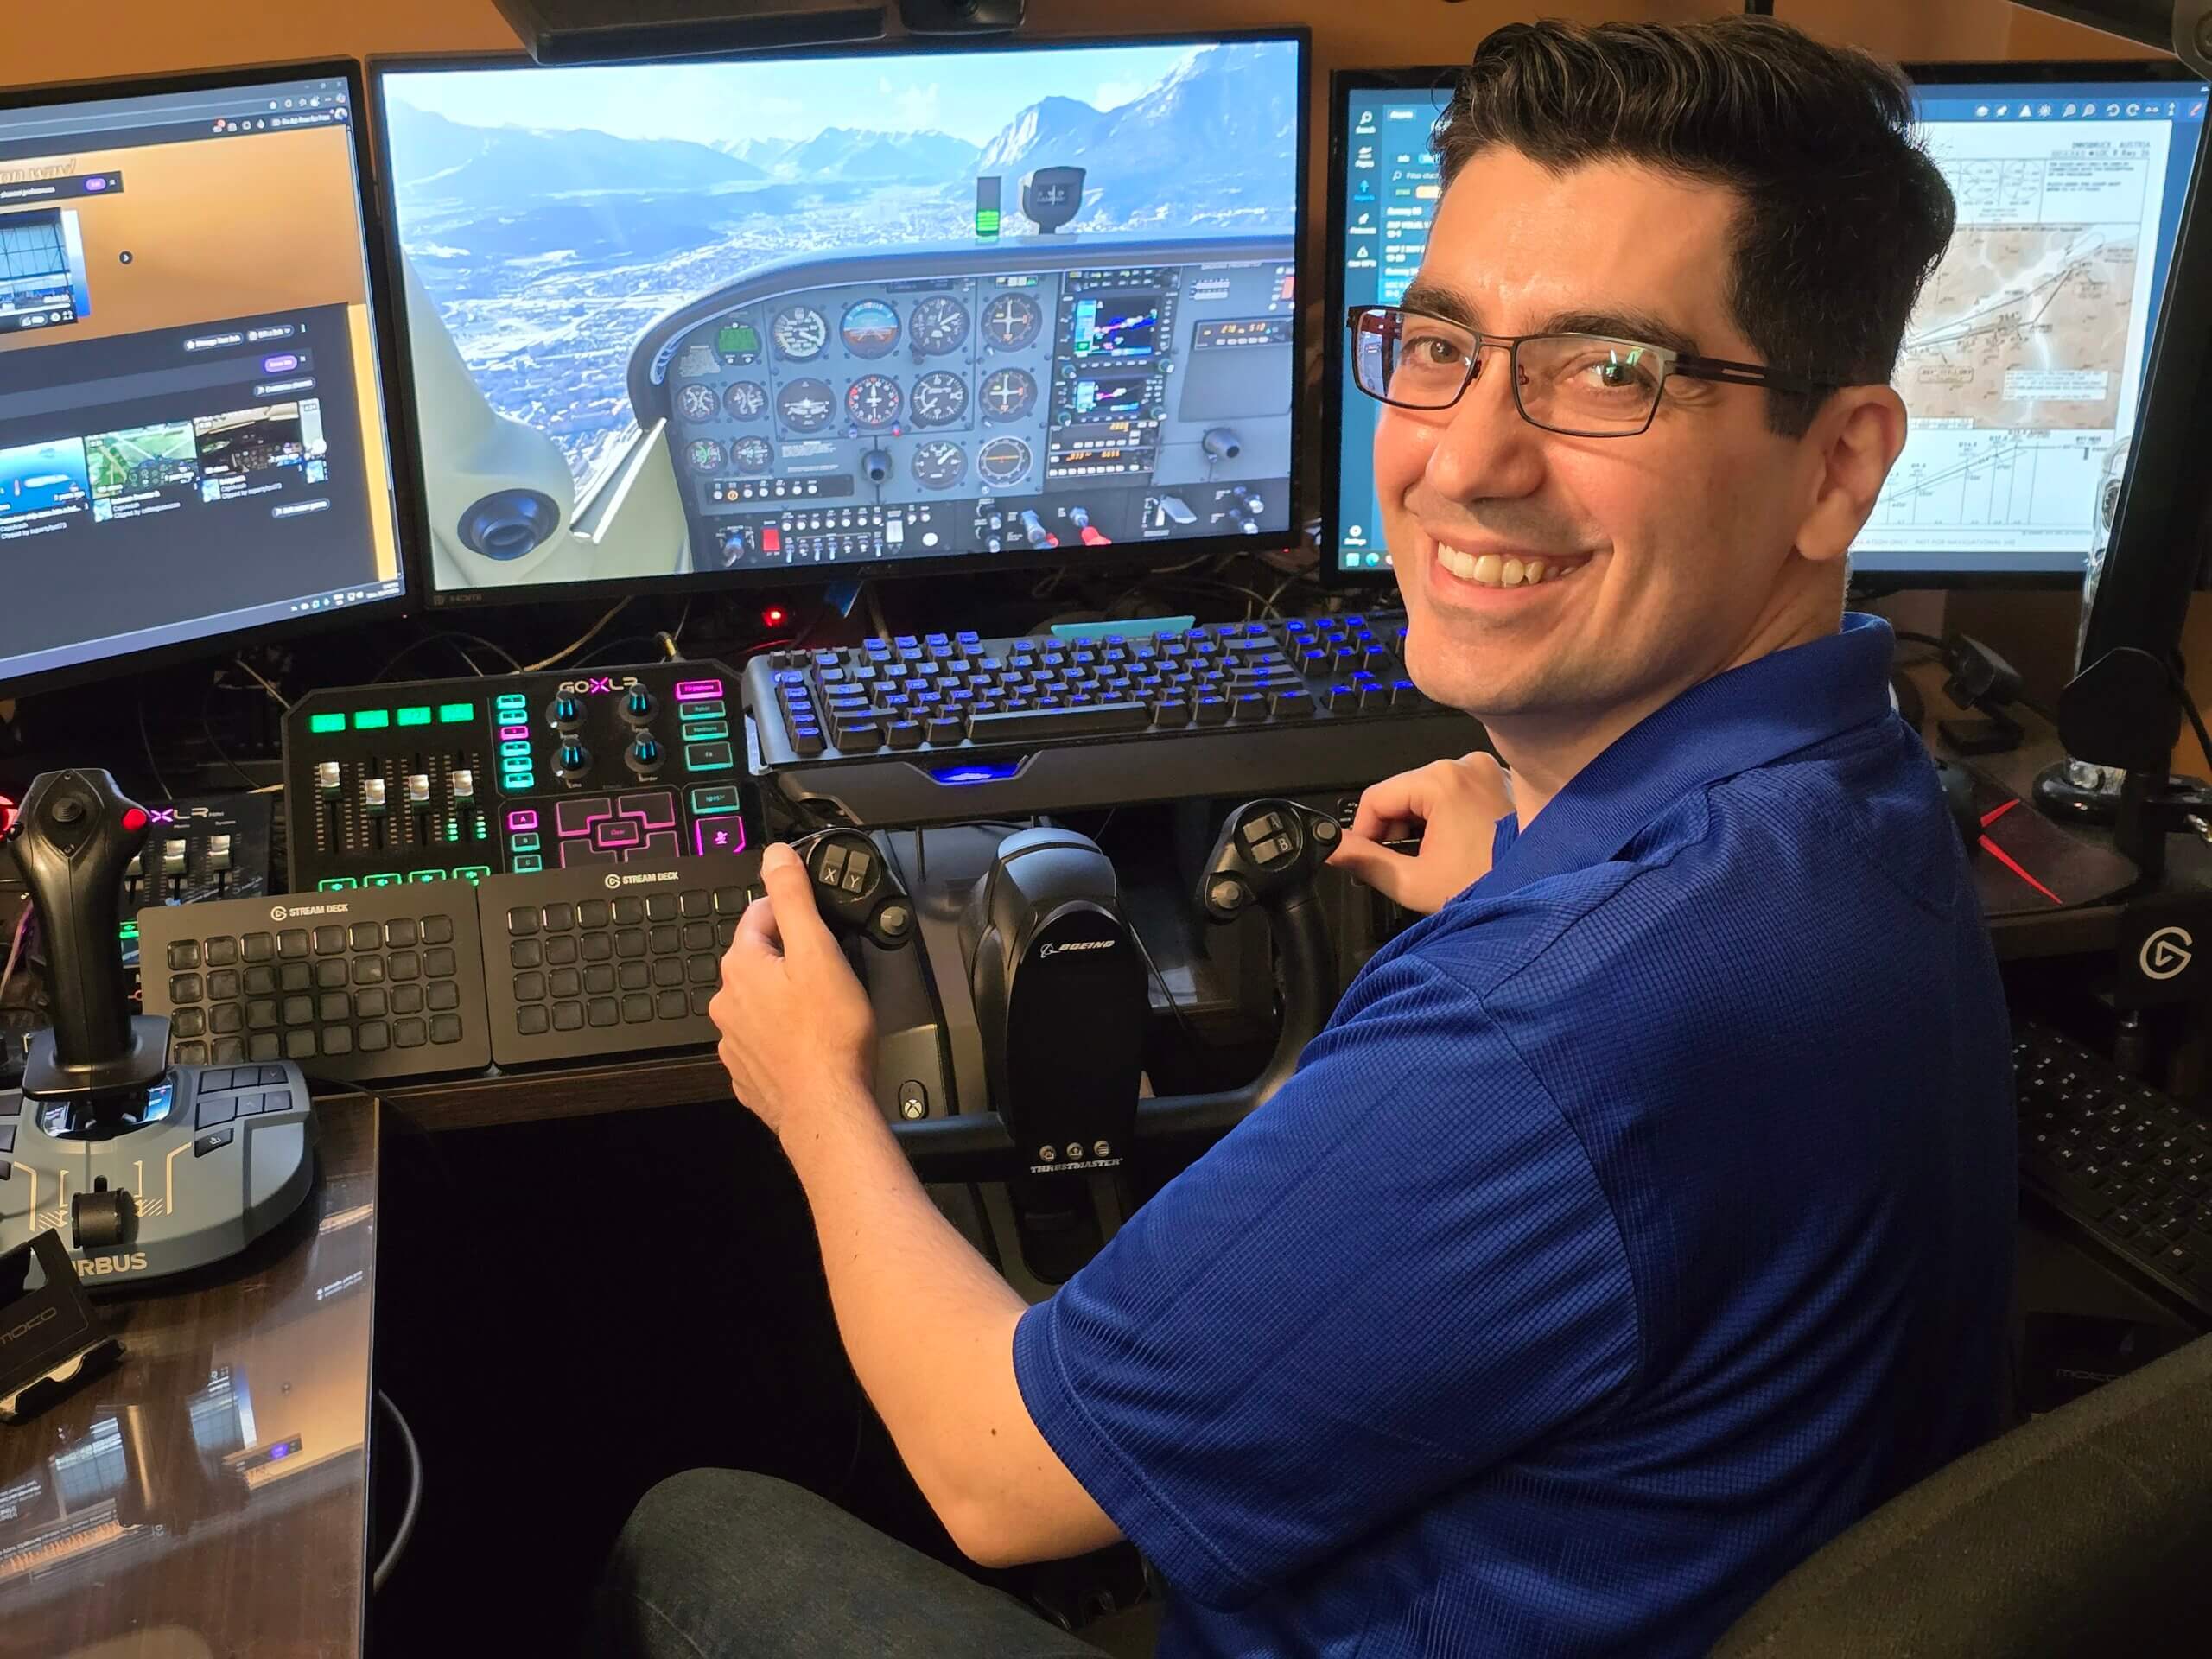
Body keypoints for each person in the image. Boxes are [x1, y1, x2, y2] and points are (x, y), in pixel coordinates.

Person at [599, 16, 2014, 1656]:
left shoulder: (1548, 1027)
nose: (1462, 461)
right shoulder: (1862, 790)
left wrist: (817, 1092)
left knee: (689, 1535)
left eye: (1610, 372)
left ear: (1836, 469)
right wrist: (1548, 839)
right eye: (1440, 344)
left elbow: (999, 1474)